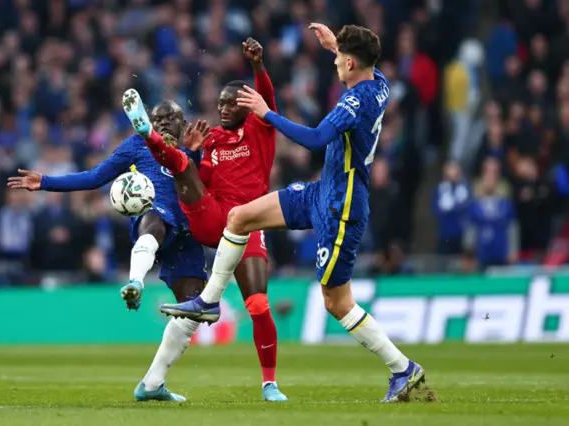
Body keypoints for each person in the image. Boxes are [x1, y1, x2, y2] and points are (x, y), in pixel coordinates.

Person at [160, 24, 425, 403]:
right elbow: (363, 64)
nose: (333, 61)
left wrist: (267, 114)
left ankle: (403, 369)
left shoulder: (354, 102)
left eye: (337, 58)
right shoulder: (378, 81)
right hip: (321, 191)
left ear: (350, 63)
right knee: (240, 218)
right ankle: (210, 301)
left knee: (337, 303)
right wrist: (339, 44)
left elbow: (316, 139)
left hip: (341, 205)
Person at [7, 100, 211, 402]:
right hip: (153, 215)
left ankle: (152, 384)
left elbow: (207, 187)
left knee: (193, 307)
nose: (164, 123)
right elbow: (95, 176)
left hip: (188, 231)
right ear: (148, 124)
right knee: (156, 219)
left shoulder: (195, 149)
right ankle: (136, 282)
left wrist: (196, 154)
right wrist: (46, 182)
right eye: (157, 119)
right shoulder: (138, 145)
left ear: (184, 124)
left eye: (172, 118)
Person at [121, 37, 287, 401]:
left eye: (230, 104)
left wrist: (258, 66)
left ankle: (269, 384)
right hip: (212, 219)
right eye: (220, 104)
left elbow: (268, 99)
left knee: (258, 304)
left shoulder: (262, 129)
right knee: (183, 165)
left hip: (249, 220)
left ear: (246, 105)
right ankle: (148, 133)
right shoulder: (211, 141)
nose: (222, 109)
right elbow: (202, 183)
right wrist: (194, 154)